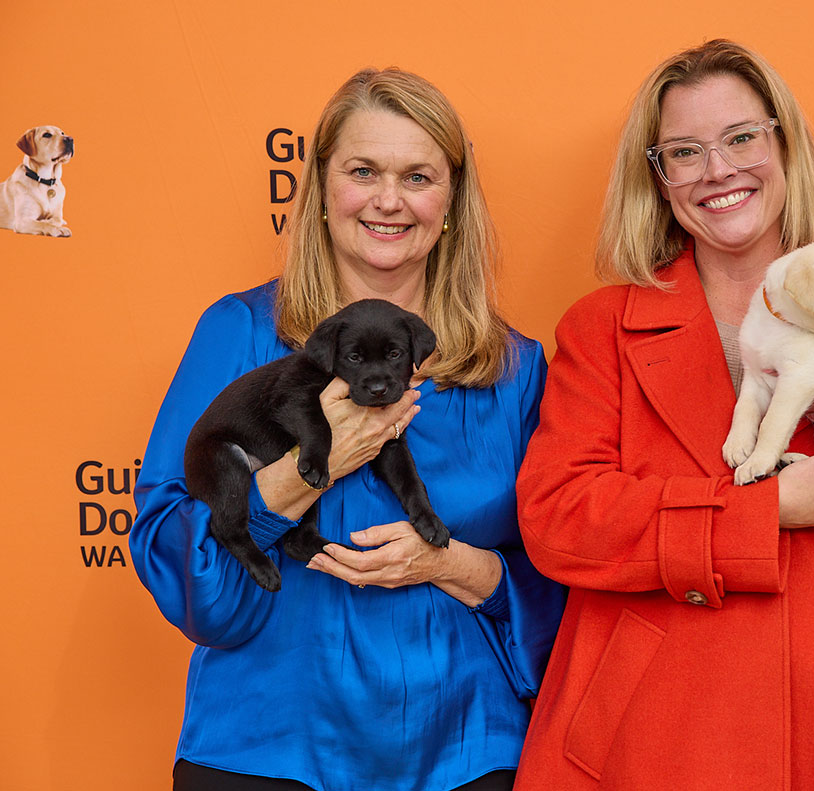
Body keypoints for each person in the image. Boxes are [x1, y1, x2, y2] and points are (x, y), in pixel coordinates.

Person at [512, 39, 814, 790]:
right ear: (658, 177)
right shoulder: (601, 327)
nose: (719, 170)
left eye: (742, 137)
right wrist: (762, 511)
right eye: (685, 151)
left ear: (786, 147)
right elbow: (560, 519)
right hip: (651, 736)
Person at [130, 68, 564, 791]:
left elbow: (561, 575)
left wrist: (452, 562)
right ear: (323, 190)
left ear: (452, 200)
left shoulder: (514, 369)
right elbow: (174, 555)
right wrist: (315, 463)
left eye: (418, 175)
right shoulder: (238, 332)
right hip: (267, 746)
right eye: (363, 171)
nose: (388, 200)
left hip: (466, 750)